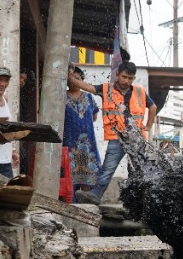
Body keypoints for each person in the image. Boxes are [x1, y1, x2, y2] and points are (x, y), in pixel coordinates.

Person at [67, 61, 157, 202]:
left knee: (138, 170)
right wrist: (69, 76)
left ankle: (139, 200)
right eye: (124, 77)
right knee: (108, 168)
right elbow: (87, 87)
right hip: (117, 138)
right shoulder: (106, 89)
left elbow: (153, 107)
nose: (126, 81)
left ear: (134, 78)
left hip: (136, 139)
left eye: (130, 78)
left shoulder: (139, 91)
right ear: (117, 75)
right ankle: (95, 195)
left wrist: (149, 126)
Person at [64, 66, 101, 202]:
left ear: (82, 81)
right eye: (70, 79)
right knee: (69, 176)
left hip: (87, 145)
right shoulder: (61, 97)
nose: (73, 81)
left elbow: (94, 117)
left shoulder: (89, 97)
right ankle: (71, 205)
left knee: (88, 178)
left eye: (77, 78)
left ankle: (86, 205)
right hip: (69, 142)